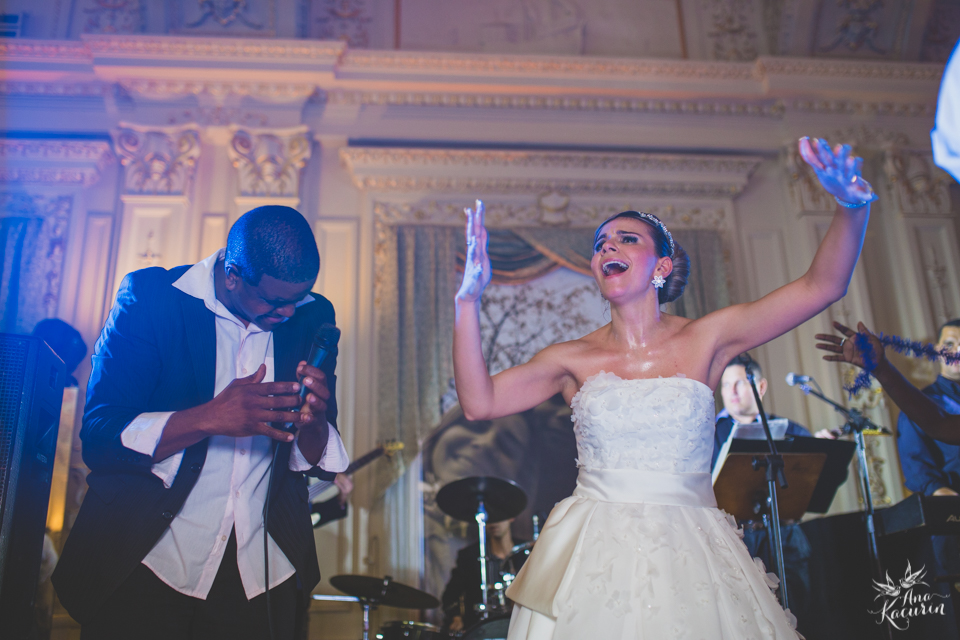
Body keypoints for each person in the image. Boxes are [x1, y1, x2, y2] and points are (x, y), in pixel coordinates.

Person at [453, 137, 875, 638]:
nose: (607, 245)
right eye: (600, 242)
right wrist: (467, 303)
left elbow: (822, 286)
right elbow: (479, 404)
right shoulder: (570, 359)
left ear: (662, 267)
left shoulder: (708, 339)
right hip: (593, 554)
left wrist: (852, 205)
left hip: (694, 551)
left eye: (626, 239)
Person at [52, 206, 349, 640]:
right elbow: (100, 433)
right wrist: (210, 418)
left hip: (259, 576)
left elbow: (316, 462)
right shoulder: (152, 299)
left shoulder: (312, 315)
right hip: (147, 558)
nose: (287, 313)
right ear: (232, 274)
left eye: (297, 299)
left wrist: (316, 420)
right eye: (273, 301)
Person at [713, 355, 813, 627]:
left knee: (799, 615)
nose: (731, 392)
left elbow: (814, 482)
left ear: (761, 387)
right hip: (737, 540)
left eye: (740, 383)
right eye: (725, 385)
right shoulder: (710, 434)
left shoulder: (788, 429)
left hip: (785, 535)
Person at [816, 320, 960, 446]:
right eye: (949, 344)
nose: (958, 351)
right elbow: (939, 426)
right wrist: (880, 367)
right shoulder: (926, 402)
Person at [441, 518, 528, 633]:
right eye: (489, 517)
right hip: (481, 630)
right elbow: (450, 596)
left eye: (499, 515)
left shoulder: (526, 552)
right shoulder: (470, 556)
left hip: (520, 628)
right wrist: (456, 617)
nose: (494, 521)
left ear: (511, 517)